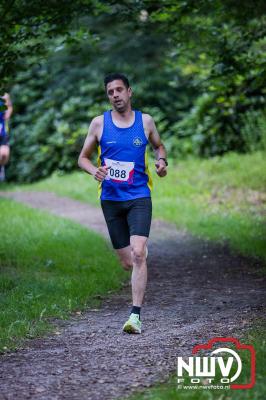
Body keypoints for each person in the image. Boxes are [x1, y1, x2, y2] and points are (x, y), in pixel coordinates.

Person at [78, 73, 168, 334]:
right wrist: (93, 170)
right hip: (111, 200)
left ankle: (135, 316)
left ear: (130, 92)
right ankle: (138, 263)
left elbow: (159, 147)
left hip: (139, 195)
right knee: (128, 261)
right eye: (110, 92)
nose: (115, 95)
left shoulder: (146, 121)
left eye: (119, 90)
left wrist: (162, 163)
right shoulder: (99, 124)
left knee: (139, 252)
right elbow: (82, 158)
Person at [0, 93, 13, 182]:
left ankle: (1, 168)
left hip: (3, 130)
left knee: (4, 154)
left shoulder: (4, 95)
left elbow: (9, 107)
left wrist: (7, 115)